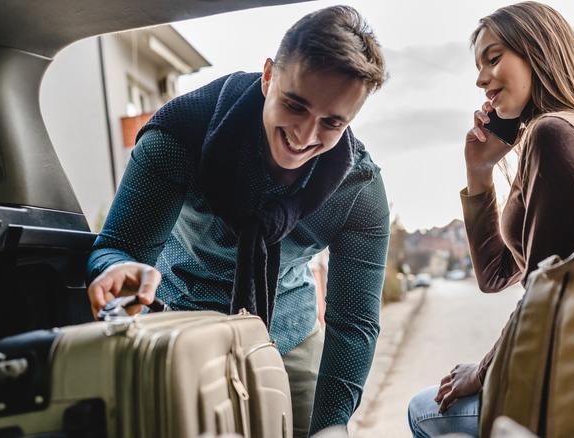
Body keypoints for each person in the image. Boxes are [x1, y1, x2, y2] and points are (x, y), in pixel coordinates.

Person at [86, 6, 390, 437]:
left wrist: (332, 426)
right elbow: (116, 247)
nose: (304, 136)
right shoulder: (180, 134)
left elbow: (354, 321)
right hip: (177, 326)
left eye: (332, 123)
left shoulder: (358, 191)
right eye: (295, 105)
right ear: (269, 76)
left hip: (289, 336)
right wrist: (115, 266)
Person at [407, 2, 574, 437]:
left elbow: (545, 293)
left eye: (494, 58)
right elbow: (494, 274)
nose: (480, 79)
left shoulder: (555, 135)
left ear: (540, 52)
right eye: (479, 66)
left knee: (424, 410)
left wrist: (484, 370)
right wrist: (479, 171)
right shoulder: (564, 133)